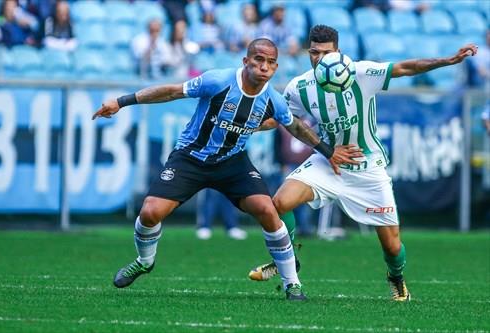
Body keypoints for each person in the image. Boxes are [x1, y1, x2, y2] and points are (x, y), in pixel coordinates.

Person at [92, 38, 362, 301]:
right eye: (258, 60)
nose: (264, 67)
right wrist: (121, 101)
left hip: (232, 162)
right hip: (191, 158)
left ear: (276, 68)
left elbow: (296, 127)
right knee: (150, 212)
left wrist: (329, 152)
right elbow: (172, 91)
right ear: (246, 61)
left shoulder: (274, 100)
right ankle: (144, 261)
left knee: (268, 210)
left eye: (270, 62)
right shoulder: (217, 81)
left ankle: (292, 284)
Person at [248, 25, 478, 302]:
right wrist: (249, 124)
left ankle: (396, 278)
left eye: (327, 53)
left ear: (339, 52)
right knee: (280, 202)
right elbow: (281, 119)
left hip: (367, 167)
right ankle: (289, 259)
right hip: (328, 161)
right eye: (314, 53)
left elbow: (406, 67)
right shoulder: (300, 87)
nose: (320, 59)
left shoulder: (361, 73)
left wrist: (447, 60)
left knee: (392, 246)